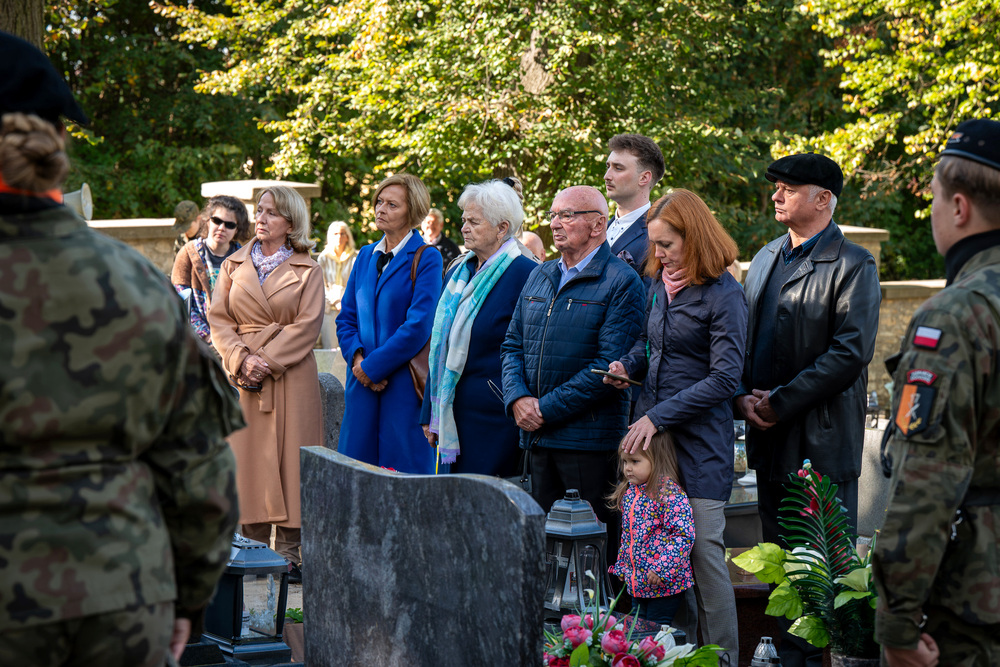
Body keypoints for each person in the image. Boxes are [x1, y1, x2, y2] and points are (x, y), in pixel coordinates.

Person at [0, 30, 240, 666]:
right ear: (57, 145)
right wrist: (186, 599)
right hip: (122, 599)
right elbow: (200, 469)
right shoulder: (135, 281)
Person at [735, 153, 881, 667]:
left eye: (789, 188)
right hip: (768, 439)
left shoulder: (854, 264)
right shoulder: (766, 257)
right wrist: (742, 397)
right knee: (780, 573)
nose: (776, 195)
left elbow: (849, 353)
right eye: (776, 186)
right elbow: (742, 340)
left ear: (823, 199)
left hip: (820, 445)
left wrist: (780, 402)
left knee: (822, 580)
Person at [873, 119, 1000, 667]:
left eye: (934, 200)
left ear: (960, 208)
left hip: (975, 607)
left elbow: (926, 482)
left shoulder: (957, 316)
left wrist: (897, 624)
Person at [605, 188, 746, 664]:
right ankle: (665, 655)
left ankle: (722, 659)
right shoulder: (657, 286)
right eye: (654, 244)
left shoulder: (724, 294)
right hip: (656, 445)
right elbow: (649, 346)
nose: (658, 253)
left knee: (702, 553)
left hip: (700, 445)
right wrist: (627, 366)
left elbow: (725, 378)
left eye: (666, 244)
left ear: (695, 236)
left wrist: (656, 415)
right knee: (652, 551)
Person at [501, 185, 645, 555]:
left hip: (587, 443)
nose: (554, 224)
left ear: (598, 225)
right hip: (536, 440)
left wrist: (542, 409)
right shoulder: (541, 273)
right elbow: (512, 344)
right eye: (553, 215)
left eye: (566, 215)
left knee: (591, 555)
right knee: (543, 552)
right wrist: (517, 398)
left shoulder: (621, 280)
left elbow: (607, 366)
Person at [209, 185, 324, 584]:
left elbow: (308, 326)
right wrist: (242, 359)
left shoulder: (309, 268)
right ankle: (249, 549)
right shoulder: (232, 264)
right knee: (248, 461)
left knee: (292, 462)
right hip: (243, 377)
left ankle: (289, 555)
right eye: (259, 210)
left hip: (290, 375)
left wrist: (267, 361)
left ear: (290, 222)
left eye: (271, 212)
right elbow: (219, 319)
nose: (260, 218)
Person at [419, 180, 537, 475]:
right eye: (464, 221)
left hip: (496, 417)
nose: (464, 228)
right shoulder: (458, 273)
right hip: (451, 412)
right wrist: (429, 412)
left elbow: (531, 351)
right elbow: (440, 344)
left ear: (502, 228)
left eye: (473, 222)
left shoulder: (527, 274)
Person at [337, 174, 443, 473]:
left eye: (392, 204)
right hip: (361, 387)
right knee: (355, 478)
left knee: (403, 482)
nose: (381, 209)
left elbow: (418, 326)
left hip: (402, 388)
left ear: (412, 211)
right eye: (379, 202)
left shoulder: (428, 257)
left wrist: (372, 368)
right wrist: (358, 360)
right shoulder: (364, 255)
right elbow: (346, 318)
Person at [608, 430, 695, 626]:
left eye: (635, 461)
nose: (627, 468)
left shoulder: (669, 493)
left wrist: (662, 568)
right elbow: (628, 536)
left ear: (657, 460)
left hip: (663, 584)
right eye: (625, 462)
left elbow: (683, 535)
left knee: (656, 630)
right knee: (639, 630)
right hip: (638, 583)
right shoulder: (631, 492)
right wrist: (623, 566)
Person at [171, 195, 251, 347]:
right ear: (207, 220)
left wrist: (233, 339)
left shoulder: (245, 259)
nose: (221, 228)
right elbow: (180, 301)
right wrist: (207, 336)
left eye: (229, 225)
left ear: (237, 229)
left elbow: (249, 305)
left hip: (236, 340)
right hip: (198, 341)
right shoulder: (187, 253)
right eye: (217, 221)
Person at [604, 133, 665, 289]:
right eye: (608, 167)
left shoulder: (658, 235)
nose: (607, 176)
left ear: (644, 178)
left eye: (618, 168)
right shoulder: (599, 229)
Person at [316, 220, 357, 348]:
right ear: (330, 236)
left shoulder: (355, 257)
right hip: (329, 308)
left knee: (349, 347)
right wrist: (336, 301)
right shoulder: (323, 258)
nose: (339, 237)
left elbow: (357, 284)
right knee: (331, 348)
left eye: (342, 233)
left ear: (347, 237)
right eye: (335, 234)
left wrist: (345, 302)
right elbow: (321, 285)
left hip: (350, 307)